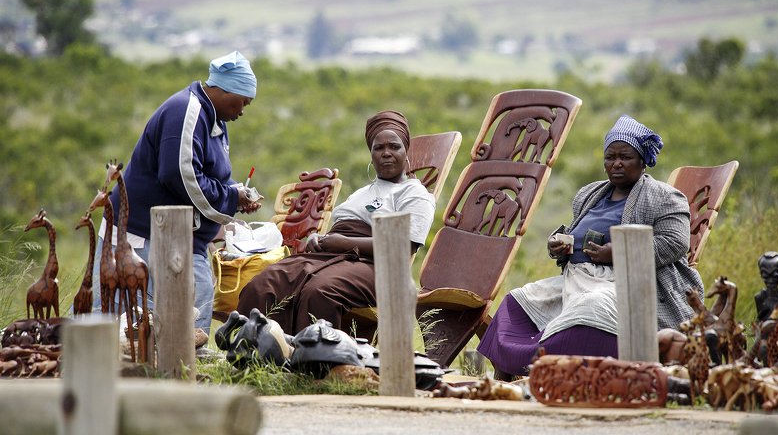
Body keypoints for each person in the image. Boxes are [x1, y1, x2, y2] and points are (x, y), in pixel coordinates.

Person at [477, 114, 704, 378]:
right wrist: (558, 244)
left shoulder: (664, 197)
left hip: (628, 284)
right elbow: (576, 233)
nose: (616, 163)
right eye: (610, 157)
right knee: (519, 300)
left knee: (592, 307)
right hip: (578, 279)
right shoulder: (590, 193)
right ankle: (510, 373)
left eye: (625, 157)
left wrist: (616, 253)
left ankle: (559, 369)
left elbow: (675, 243)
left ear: (642, 161)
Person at [93, 50, 262, 334]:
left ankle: (181, 372)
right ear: (225, 90)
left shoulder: (214, 120)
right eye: (242, 101)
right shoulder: (187, 110)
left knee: (190, 315)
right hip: (138, 235)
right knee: (122, 324)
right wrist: (230, 199)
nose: (242, 110)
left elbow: (208, 173)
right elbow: (180, 174)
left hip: (180, 237)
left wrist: (234, 190)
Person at [237, 110, 436, 335]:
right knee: (264, 283)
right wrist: (318, 238)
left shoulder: (414, 193)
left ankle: (312, 363)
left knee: (319, 291)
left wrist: (343, 243)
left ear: (406, 150)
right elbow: (336, 233)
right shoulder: (363, 192)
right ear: (370, 153)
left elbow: (403, 246)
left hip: (376, 264)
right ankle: (254, 354)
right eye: (378, 148)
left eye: (394, 146)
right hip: (330, 256)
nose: (386, 153)